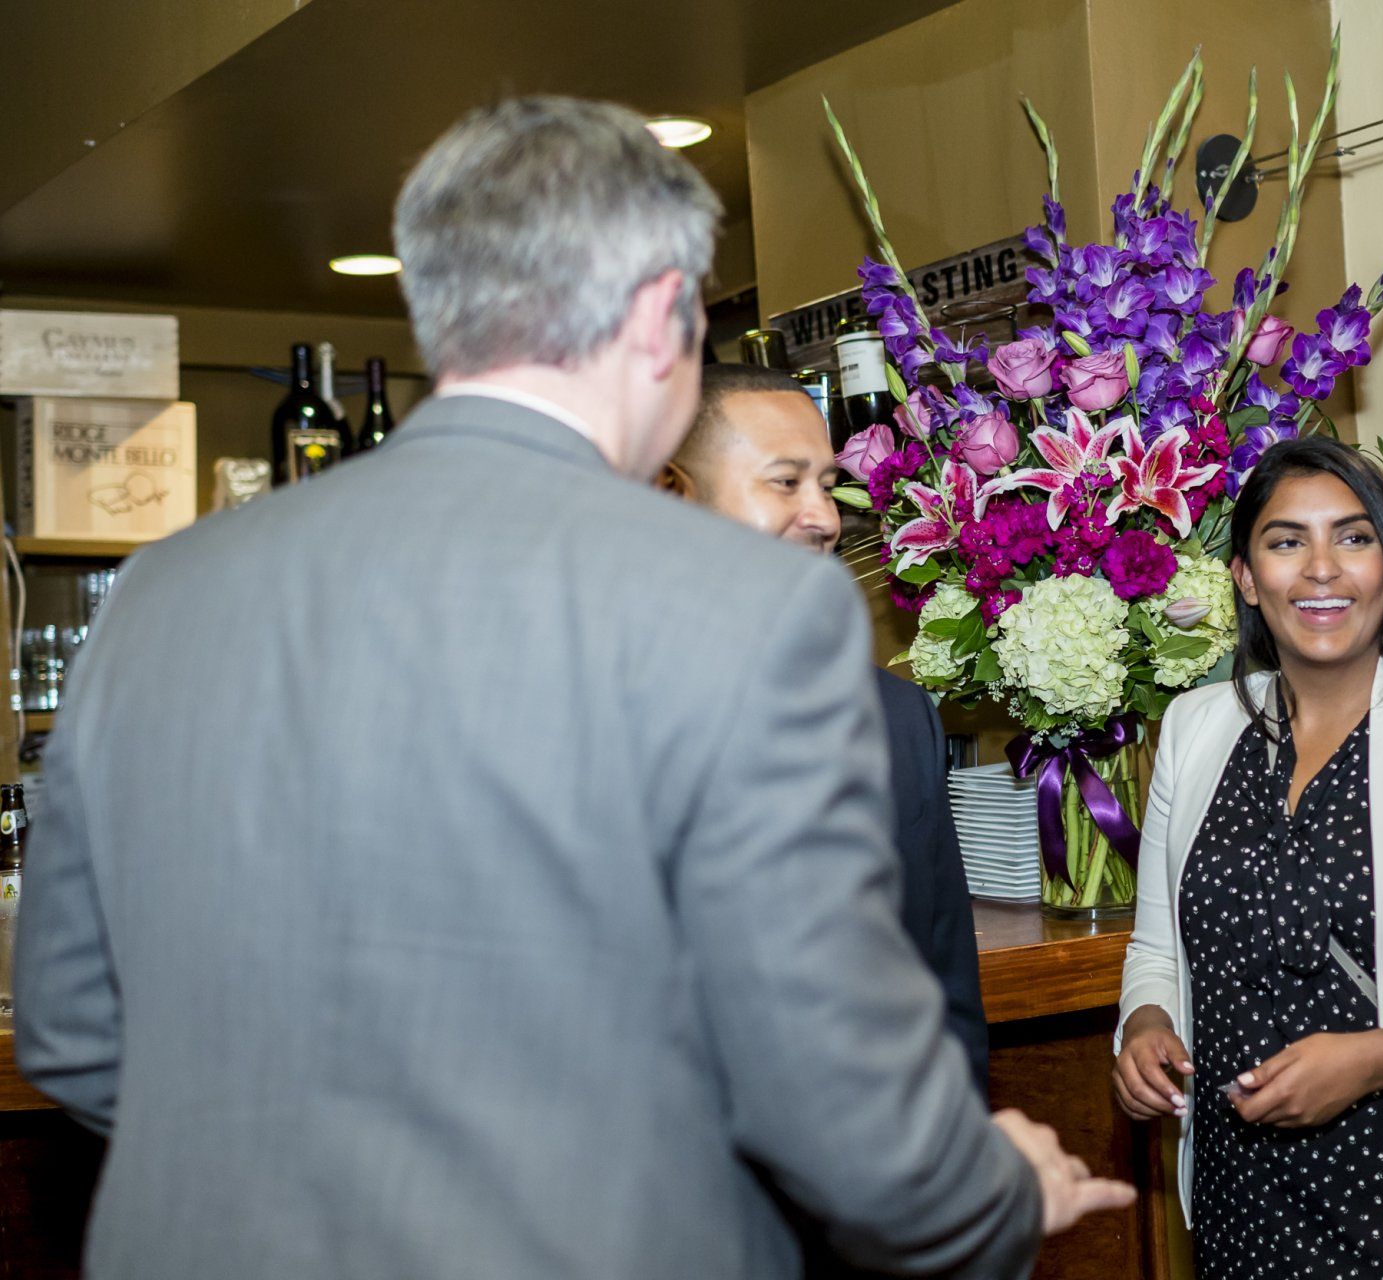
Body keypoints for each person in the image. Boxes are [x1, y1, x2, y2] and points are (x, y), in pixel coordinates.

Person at [12, 96, 1129, 1280]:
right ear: (659, 314)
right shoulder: (745, 606)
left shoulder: (160, 592)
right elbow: (832, 1085)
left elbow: (74, 1031)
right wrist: (993, 1188)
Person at [1113, 436, 1383, 1279]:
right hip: (1237, 1197)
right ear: (1247, 577)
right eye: (1287, 542)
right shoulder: (1195, 727)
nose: (1321, 569)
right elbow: (1156, 948)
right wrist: (1144, 1025)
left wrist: (1373, 1060)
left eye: (1353, 538)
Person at [661, 363, 990, 1096]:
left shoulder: (900, 717)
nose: (825, 519)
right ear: (675, 496)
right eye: (785, 483)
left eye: (829, 486)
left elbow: (943, 978)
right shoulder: (607, 712)